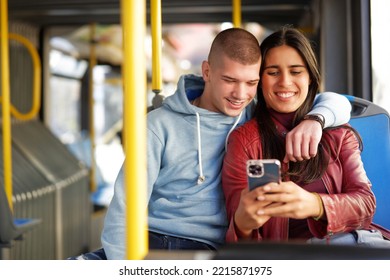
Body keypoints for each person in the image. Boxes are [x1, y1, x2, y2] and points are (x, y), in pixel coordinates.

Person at [102, 27, 352, 259]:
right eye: (230, 80)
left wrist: (315, 121)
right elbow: (125, 208)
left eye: (251, 83)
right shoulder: (158, 125)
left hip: (221, 247)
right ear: (207, 72)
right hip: (160, 240)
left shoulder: (253, 113)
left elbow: (338, 102)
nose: (240, 94)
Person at [221, 27, 390, 246]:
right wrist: (243, 223)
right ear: (259, 80)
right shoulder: (244, 140)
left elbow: (365, 205)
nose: (285, 82)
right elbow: (241, 236)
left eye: (296, 71)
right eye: (273, 72)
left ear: (310, 77)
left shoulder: (337, 132)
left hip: (352, 246)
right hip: (292, 258)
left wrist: (315, 205)